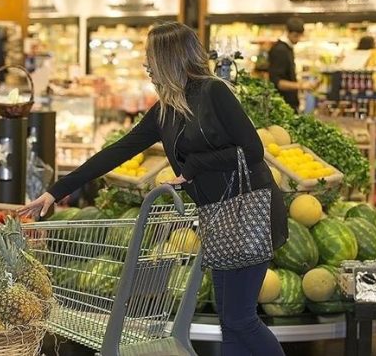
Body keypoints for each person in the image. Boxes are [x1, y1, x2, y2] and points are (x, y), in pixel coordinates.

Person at [18, 22, 288, 356]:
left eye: (151, 59)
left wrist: (193, 168)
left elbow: (253, 150)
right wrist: (55, 191)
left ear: (169, 59)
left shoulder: (214, 92)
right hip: (218, 217)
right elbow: (116, 152)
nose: (147, 66)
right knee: (230, 320)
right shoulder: (165, 112)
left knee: (241, 319)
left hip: (250, 213)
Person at [268, 17, 316, 111]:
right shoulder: (280, 50)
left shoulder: (287, 48)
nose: (298, 39)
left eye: (299, 35)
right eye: (295, 35)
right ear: (288, 32)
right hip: (282, 105)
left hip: (287, 104)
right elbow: (277, 82)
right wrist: (301, 85)